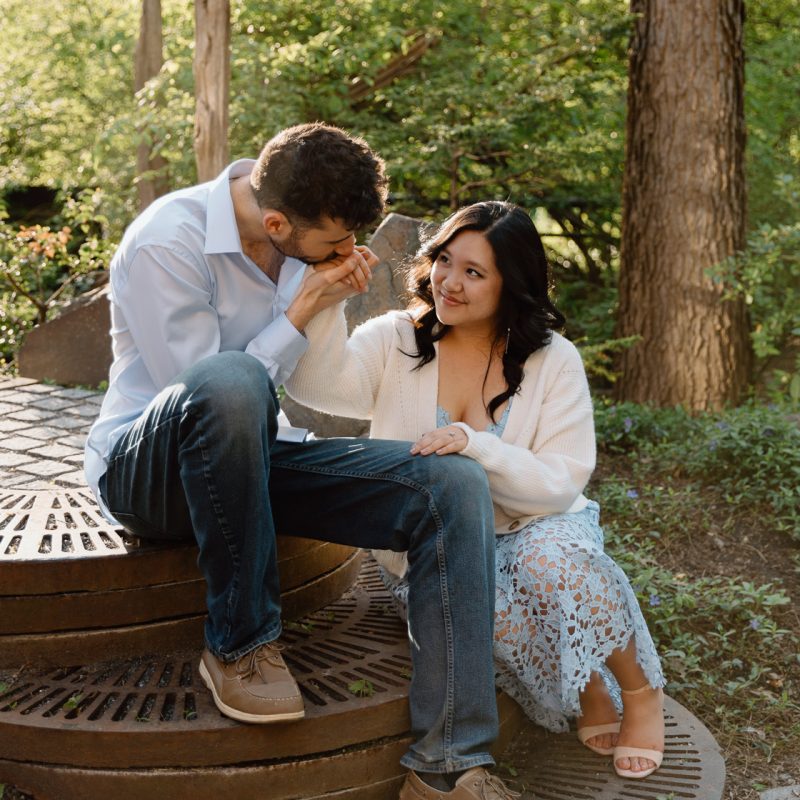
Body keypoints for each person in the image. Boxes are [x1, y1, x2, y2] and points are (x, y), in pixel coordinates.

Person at [84, 125, 519, 799]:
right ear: (278, 221)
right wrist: (302, 307)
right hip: (151, 472)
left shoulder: (299, 243)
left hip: (261, 460)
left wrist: (319, 306)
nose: (350, 255)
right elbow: (207, 397)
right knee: (230, 381)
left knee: (451, 482)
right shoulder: (167, 241)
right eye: (335, 245)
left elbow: (309, 392)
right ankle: (241, 645)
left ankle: (450, 765)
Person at [285, 200, 667, 781]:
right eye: (444, 260)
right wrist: (326, 302)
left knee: (550, 567)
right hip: (439, 544)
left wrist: (475, 444)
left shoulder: (552, 359)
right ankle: (585, 688)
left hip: (538, 519)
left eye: (473, 272)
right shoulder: (398, 339)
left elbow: (562, 482)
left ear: (510, 284)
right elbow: (319, 386)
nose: (449, 282)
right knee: (485, 606)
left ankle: (637, 693)